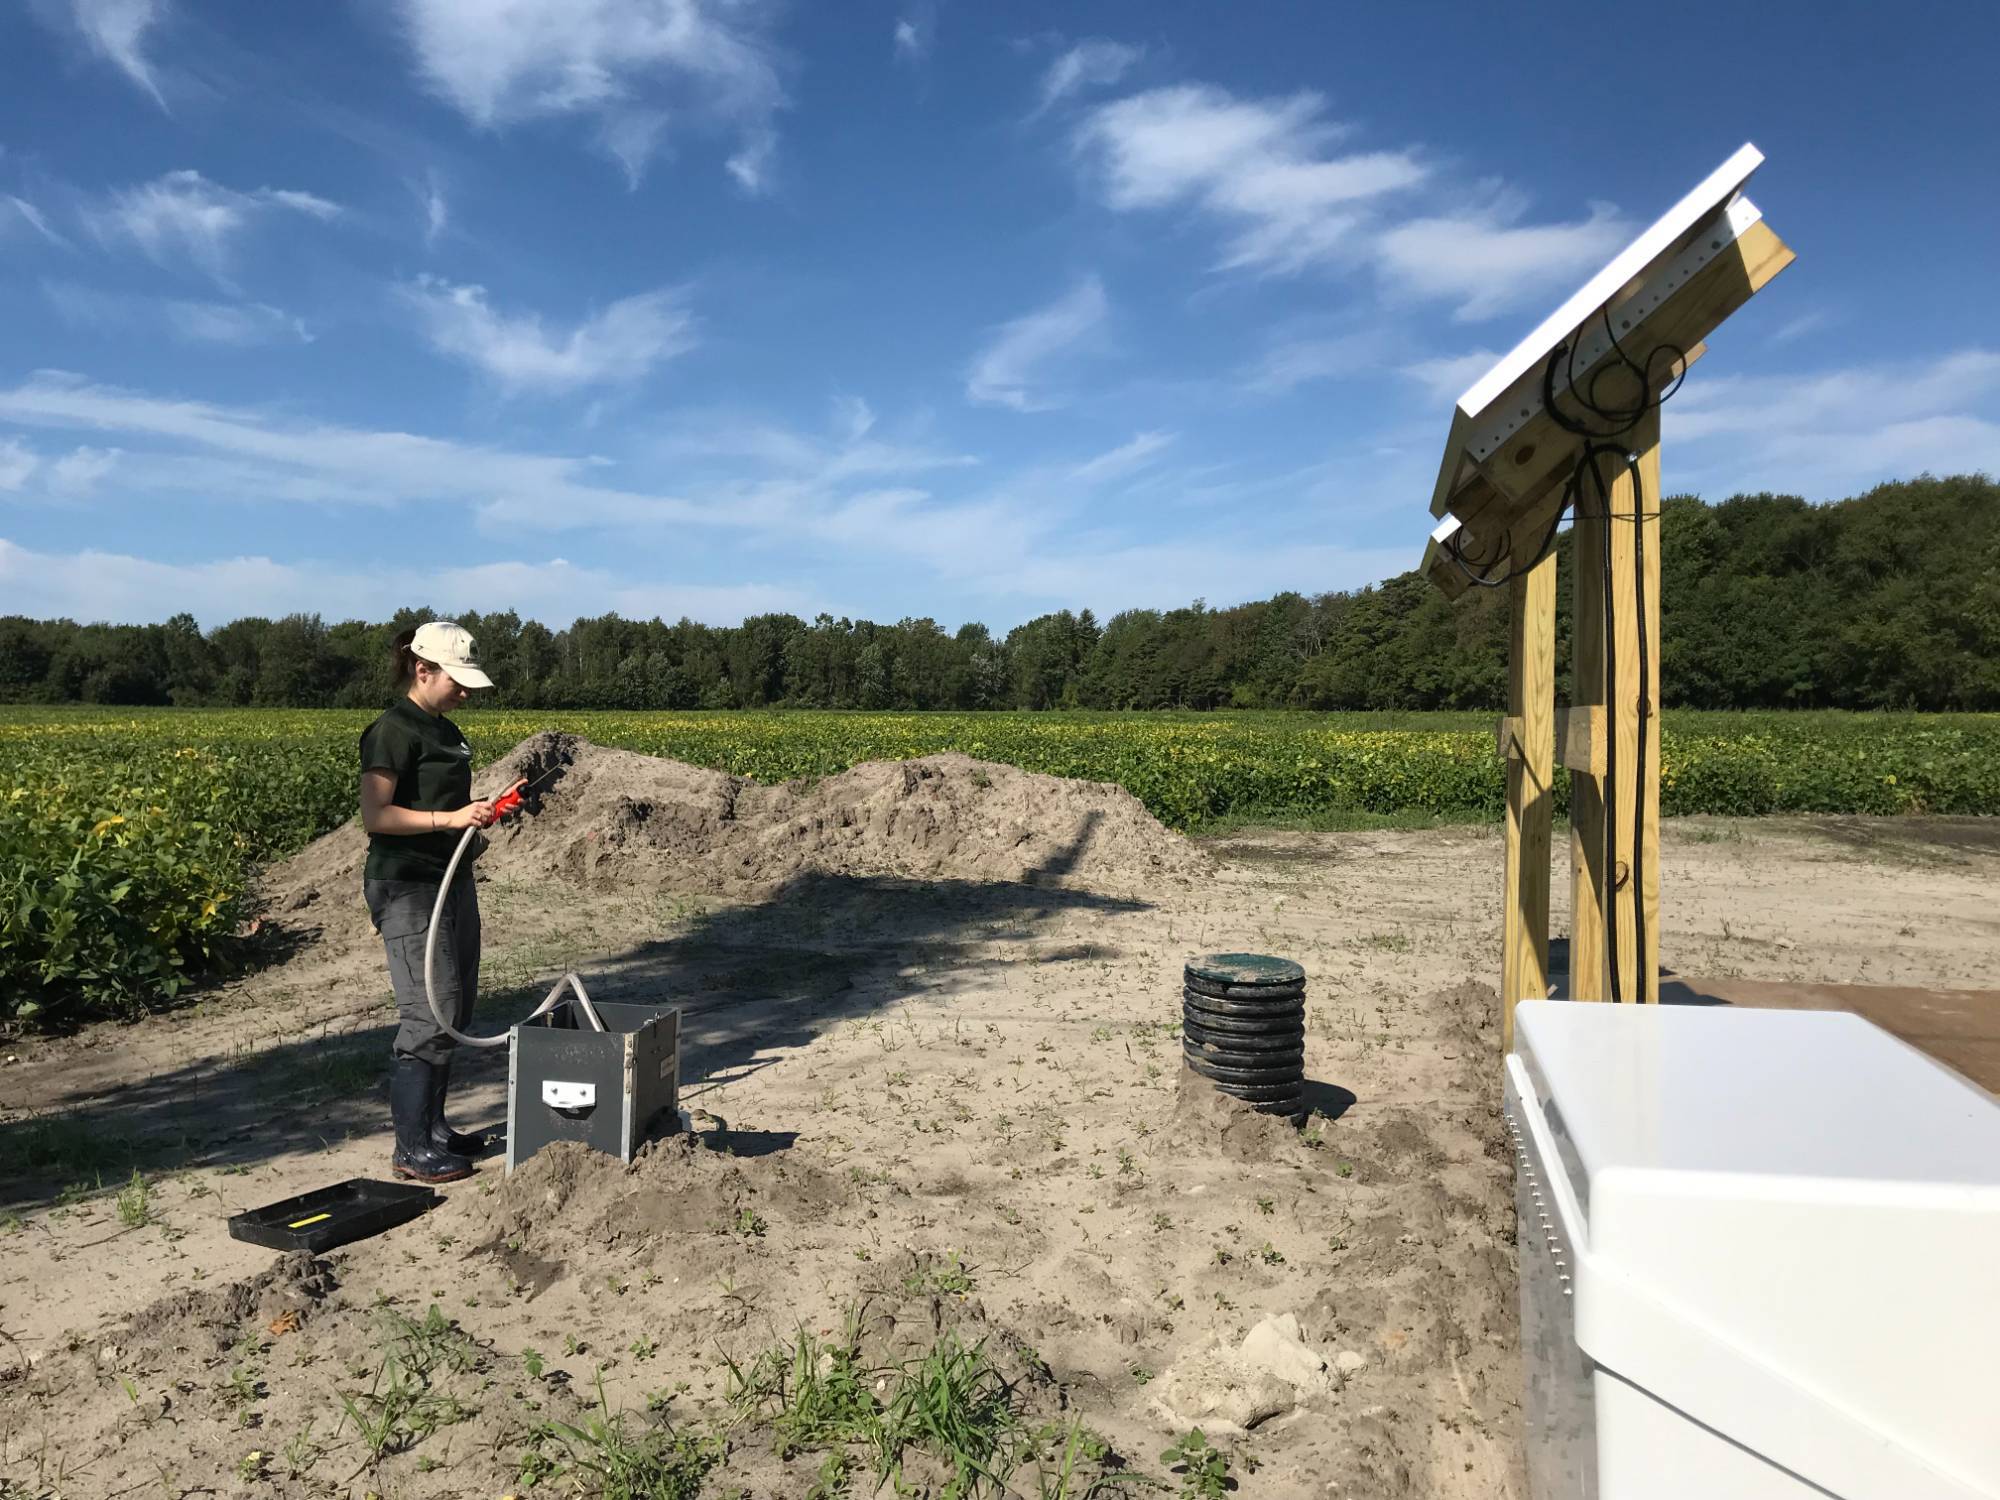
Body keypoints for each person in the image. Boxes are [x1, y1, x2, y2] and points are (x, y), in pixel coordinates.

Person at [358, 621, 524, 1183]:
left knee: (455, 1008)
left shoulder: (445, 730)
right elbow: (376, 816)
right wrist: (449, 818)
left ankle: (434, 1129)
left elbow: (445, 804)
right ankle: (410, 1148)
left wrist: (482, 808)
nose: (466, 692)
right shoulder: (392, 730)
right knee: (429, 1010)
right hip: (407, 884)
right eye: (457, 680)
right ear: (422, 670)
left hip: (451, 879)